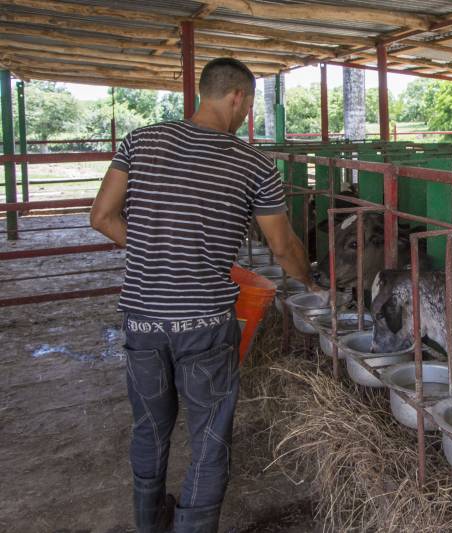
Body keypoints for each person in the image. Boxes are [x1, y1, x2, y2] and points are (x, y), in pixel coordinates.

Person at [90, 58, 321, 533]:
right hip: (204, 324)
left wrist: (156, 248)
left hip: (142, 320)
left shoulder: (140, 141)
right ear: (238, 97)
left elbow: (102, 217)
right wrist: (312, 281)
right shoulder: (254, 163)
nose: (246, 116)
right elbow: (283, 247)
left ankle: (150, 522)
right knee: (210, 439)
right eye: (249, 106)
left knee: (149, 430)